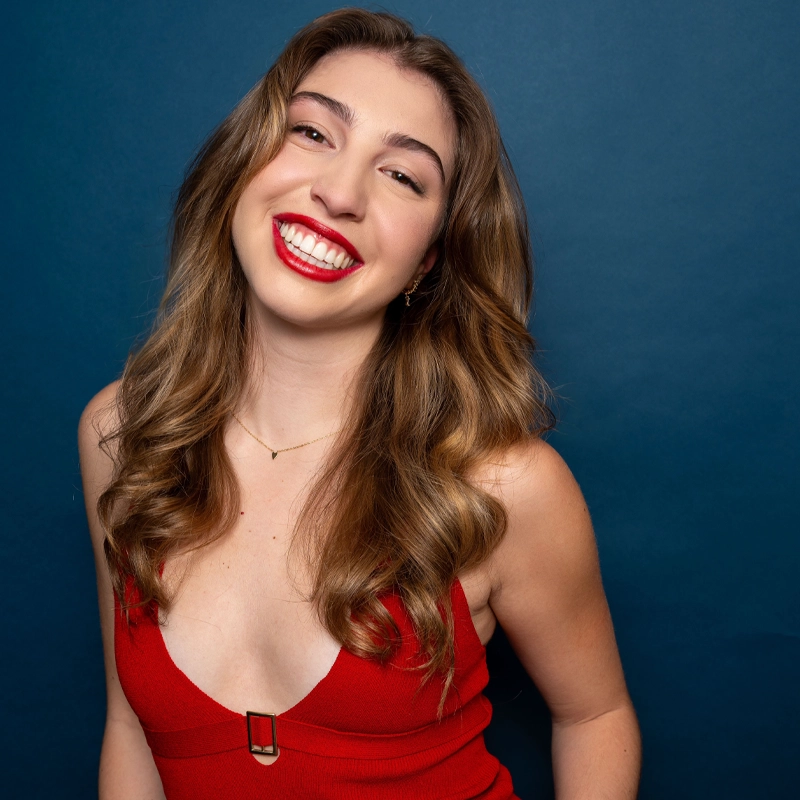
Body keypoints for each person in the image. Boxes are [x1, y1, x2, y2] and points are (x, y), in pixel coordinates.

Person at [79, 8, 641, 799]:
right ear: (246, 160)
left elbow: (595, 717)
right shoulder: (120, 434)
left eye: (402, 175)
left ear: (428, 261)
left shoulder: (505, 487)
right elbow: (130, 727)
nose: (338, 192)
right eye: (312, 133)